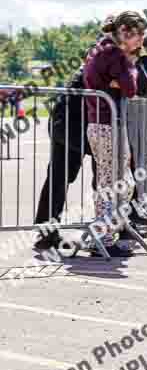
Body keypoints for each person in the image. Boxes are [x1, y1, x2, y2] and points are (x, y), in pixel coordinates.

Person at [83, 11, 147, 257]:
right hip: (105, 124)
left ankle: (108, 233)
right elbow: (132, 88)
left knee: (122, 181)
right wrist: (126, 74)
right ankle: (102, 237)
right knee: (111, 183)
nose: (140, 40)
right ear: (125, 33)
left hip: (108, 123)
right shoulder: (112, 53)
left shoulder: (106, 50)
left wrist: (119, 81)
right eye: (138, 34)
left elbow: (128, 86)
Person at [33, 60, 98, 249]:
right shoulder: (98, 65)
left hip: (69, 124)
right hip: (70, 126)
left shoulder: (93, 65)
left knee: (58, 178)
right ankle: (104, 228)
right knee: (60, 178)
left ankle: (46, 232)